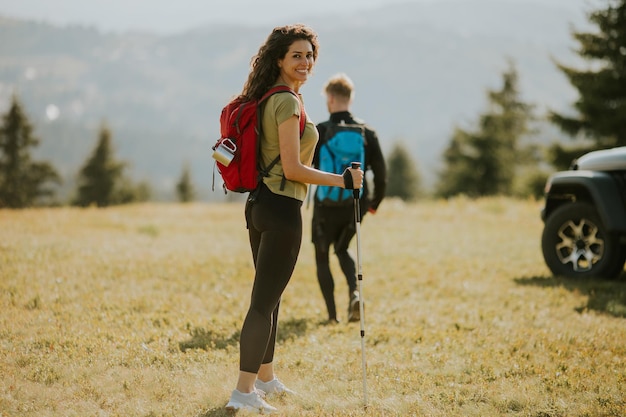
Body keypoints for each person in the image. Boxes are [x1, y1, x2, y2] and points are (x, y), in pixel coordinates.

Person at [224, 24, 364, 414]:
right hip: (282, 209)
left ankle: (264, 378)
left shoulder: (270, 97)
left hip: (259, 206)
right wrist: (343, 180)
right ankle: (242, 393)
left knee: (270, 298)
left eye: (309, 56)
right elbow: (292, 167)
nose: (304, 62)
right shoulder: (287, 102)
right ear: (280, 60)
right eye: (296, 56)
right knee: (262, 303)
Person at [312, 73, 387, 324]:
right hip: (355, 203)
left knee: (322, 255)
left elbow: (309, 168)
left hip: (325, 204)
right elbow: (381, 173)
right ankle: (354, 294)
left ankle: (332, 316)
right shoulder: (367, 132)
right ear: (350, 99)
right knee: (343, 249)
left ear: (330, 99)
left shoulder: (320, 131)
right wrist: (373, 204)